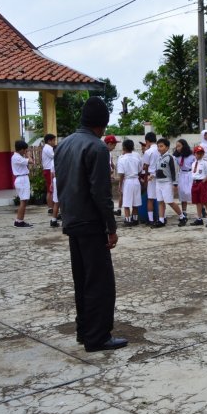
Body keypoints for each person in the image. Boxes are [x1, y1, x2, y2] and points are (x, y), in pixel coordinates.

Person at [55, 97, 127, 352]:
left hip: (72, 220)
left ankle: (84, 331)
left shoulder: (63, 146)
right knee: (100, 282)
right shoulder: (96, 148)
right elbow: (101, 193)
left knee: (82, 280)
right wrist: (112, 227)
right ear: (102, 125)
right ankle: (97, 337)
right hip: (91, 222)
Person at [153, 138, 187, 227]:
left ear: (167, 147)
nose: (159, 148)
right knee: (160, 201)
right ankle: (161, 220)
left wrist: (175, 184)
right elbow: (157, 170)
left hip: (167, 182)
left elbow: (174, 171)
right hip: (158, 182)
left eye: (161, 146)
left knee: (170, 201)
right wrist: (152, 176)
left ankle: (182, 216)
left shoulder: (170, 158)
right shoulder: (158, 158)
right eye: (158, 146)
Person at [117, 139, 142, 227]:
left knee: (127, 202)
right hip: (136, 180)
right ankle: (135, 219)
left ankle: (128, 220)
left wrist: (120, 185)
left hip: (127, 181)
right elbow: (140, 171)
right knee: (135, 202)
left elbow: (121, 174)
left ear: (124, 147)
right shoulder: (137, 158)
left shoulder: (122, 159)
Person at [190, 145, 207, 227]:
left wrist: (203, 181)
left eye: (201, 153)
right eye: (198, 153)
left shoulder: (205, 163)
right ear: (195, 154)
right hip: (195, 183)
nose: (199, 155)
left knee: (205, 201)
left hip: (202, 183)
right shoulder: (193, 163)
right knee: (197, 202)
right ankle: (199, 218)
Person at [11, 139, 33, 228]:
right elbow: (31, 161)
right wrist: (28, 156)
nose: (25, 152)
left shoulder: (18, 157)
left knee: (24, 201)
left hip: (22, 178)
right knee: (23, 201)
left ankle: (20, 220)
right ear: (21, 149)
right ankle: (19, 221)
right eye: (25, 150)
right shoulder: (17, 157)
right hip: (22, 179)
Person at [173, 139, 194, 217]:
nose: (177, 148)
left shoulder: (191, 155)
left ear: (184, 146)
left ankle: (201, 208)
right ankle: (184, 211)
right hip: (182, 174)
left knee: (192, 192)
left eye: (179, 146)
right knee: (182, 193)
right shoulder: (176, 156)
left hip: (190, 174)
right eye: (176, 146)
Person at [142, 132, 159, 225]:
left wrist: (145, 179)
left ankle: (151, 220)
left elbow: (146, 166)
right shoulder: (161, 149)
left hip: (151, 176)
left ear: (147, 141)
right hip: (161, 175)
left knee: (150, 199)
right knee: (161, 199)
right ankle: (162, 218)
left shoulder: (148, 152)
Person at [104, 135, 121, 216]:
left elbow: (110, 164)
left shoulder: (109, 153)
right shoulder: (102, 153)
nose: (114, 147)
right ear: (109, 144)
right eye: (114, 145)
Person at [41, 133, 56, 214]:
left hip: (48, 170)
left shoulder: (47, 148)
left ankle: (51, 207)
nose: (54, 142)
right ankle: (51, 207)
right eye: (53, 140)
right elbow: (55, 156)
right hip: (49, 170)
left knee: (50, 190)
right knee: (50, 190)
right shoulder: (48, 148)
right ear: (49, 141)